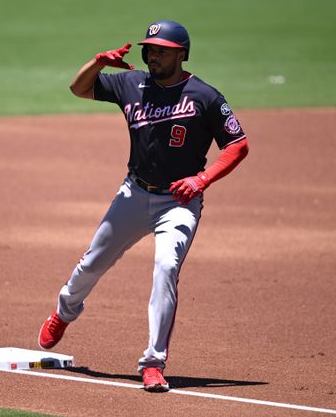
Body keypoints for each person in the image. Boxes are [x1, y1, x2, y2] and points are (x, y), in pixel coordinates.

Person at [38, 20, 249, 392]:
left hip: (179, 202)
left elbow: (237, 145)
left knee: (166, 266)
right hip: (133, 195)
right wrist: (98, 61)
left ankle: (153, 362)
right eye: (150, 48)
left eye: (162, 50)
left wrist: (202, 179)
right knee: (92, 262)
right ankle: (64, 311)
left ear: (181, 54)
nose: (153, 54)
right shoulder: (130, 83)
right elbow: (78, 88)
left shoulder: (205, 96)